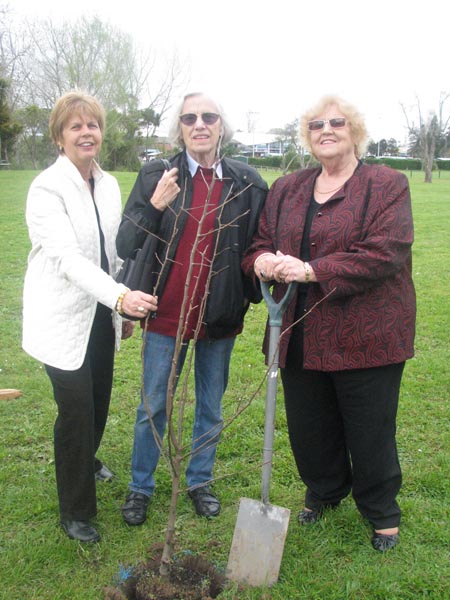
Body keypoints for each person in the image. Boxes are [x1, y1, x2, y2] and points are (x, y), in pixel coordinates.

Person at [242, 95, 416, 552]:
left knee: (369, 425)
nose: (326, 130)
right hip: (298, 331)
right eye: (316, 124)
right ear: (308, 135)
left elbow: (385, 253)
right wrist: (262, 261)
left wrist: (311, 270)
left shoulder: (387, 184)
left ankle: (381, 512)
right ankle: (324, 490)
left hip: (367, 332)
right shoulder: (287, 188)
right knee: (310, 425)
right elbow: (259, 242)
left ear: (354, 130)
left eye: (337, 122)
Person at [117, 92, 267, 524]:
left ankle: (199, 482)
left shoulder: (246, 182)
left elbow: (259, 243)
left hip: (219, 316)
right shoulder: (156, 176)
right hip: (164, 316)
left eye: (209, 116)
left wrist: (253, 285)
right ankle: (140, 487)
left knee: (210, 407)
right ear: (179, 128)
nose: (199, 124)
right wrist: (155, 203)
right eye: (189, 118)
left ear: (222, 125)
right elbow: (126, 245)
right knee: (154, 406)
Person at [22, 91, 158, 543]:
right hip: (62, 317)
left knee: (98, 399)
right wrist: (121, 297)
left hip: (102, 313)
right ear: (60, 137)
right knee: (76, 409)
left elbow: (111, 251)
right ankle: (75, 510)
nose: (87, 133)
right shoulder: (47, 187)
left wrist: (122, 303)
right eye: (76, 126)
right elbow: (67, 259)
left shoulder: (108, 183)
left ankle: (89, 456)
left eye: (93, 125)